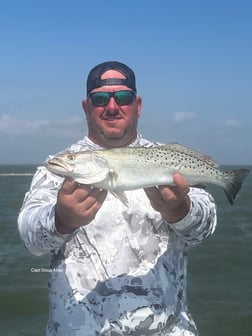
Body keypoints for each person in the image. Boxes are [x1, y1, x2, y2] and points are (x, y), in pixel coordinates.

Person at [18, 61, 217, 336]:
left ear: (138, 105)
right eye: (100, 99)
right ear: (87, 107)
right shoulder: (58, 167)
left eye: (122, 97)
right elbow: (31, 239)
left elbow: (204, 230)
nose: (112, 107)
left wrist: (180, 211)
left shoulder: (169, 160)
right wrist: (61, 220)